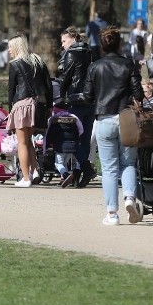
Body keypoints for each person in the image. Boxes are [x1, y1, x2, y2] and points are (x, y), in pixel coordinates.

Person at [82, 26, 144, 225]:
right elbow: (139, 95)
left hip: (104, 118)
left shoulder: (95, 66)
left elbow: (88, 95)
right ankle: (129, 198)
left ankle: (112, 214)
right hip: (126, 118)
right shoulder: (129, 64)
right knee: (128, 163)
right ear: (119, 43)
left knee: (109, 168)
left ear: (102, 44)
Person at [6, 34, 53, 187]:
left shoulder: (15, 65)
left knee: (21, 143)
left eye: (10, 47)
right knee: (28, 141)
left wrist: (10, 110)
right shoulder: (38, 61)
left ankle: (26, 178)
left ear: (16, 47)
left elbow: (11, 90)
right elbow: (49, 85)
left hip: (21, 105)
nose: (8, 50)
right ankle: (35, 170)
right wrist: (49, 106)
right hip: (38, 104)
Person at [56, 26, 96, 188]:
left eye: (64, 41)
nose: (62, 45)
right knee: (85, 138)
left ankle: (86, 169)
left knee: (70, 136)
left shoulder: (71, 54)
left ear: (73, 39)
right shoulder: (91, 52)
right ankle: (80, 171)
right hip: (91, 100)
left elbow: (66, 77)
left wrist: (60, 96)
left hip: (76, 99)